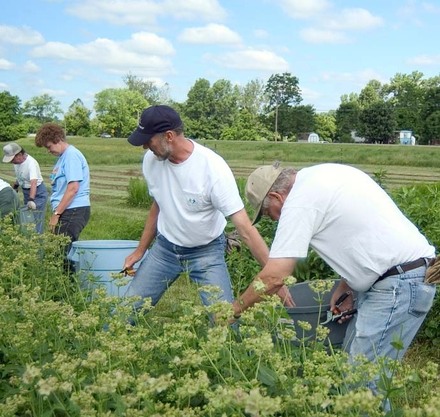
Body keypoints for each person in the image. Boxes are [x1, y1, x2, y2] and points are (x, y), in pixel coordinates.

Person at [233, 162, 436, 366]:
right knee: (354, 369)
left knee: (362, 381)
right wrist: (346, 286)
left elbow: (276, 275)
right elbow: (362, 231)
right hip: (400, 277)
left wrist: (232, 312)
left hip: (397, 284)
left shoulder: (299, 201)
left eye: (270, 213)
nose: (275, 219)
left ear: (277, 197)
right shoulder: (326, 174)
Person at [123, 105, 292, 314]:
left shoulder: (213, 170)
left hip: (206, 252)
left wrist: (276, 279)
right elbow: (158, 203)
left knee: (224, 321)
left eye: (148, 140)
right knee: (126, 312)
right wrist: (140, 250)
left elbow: (246, 230)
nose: (144, 147)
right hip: (165, 249)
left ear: (168, 136)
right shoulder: (152, 160)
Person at [34, 123, 91, 270]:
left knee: (61, 253)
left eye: (49, 147)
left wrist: (56, 213)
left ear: (58, 139)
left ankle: (68, 289)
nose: (48, 151)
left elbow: (73, 188)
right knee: (60, 251)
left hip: (74, 209)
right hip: (67, 209)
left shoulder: (71, 156)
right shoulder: (63, 157)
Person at [2, 142, 48, 233]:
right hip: (26, 191)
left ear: (19, 155)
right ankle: (29, 240)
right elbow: (19, 177)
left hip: (37, 192)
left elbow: (33, 182)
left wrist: (31, 199)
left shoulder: (31, 163)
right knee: (28, 218)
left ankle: (38, 242)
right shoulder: (17, 163)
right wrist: (15, 188)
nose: (12, 162)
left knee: (36, 219)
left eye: (12, 159)